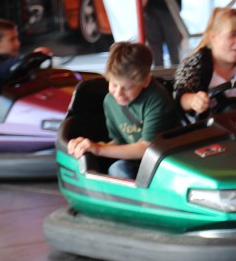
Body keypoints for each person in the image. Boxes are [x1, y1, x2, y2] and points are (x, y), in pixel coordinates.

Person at [66, 42, 181, 180]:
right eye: (114, 84)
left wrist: (99, 149)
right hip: (137, 162)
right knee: (116, 168)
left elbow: (147, 148)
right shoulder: (110, 100)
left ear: (146, 81)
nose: (118, 93)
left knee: (119, 169)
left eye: (128, 87)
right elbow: (119, 140)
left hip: (166, 161)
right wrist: (89, 147)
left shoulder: (156, 99)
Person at [174, 7, 236, 117]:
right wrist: (193, 100)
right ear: (213, 37)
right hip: (208, 130)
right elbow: (180, 97)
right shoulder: (194, 64)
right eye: (233, 35)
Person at [0, 18, 49, 118]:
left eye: (17, 38)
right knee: (0, 101)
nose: (18, 43)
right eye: (12, 40)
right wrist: (31, 55)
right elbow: (4, 70)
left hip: (9, 97)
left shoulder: (5, 55)